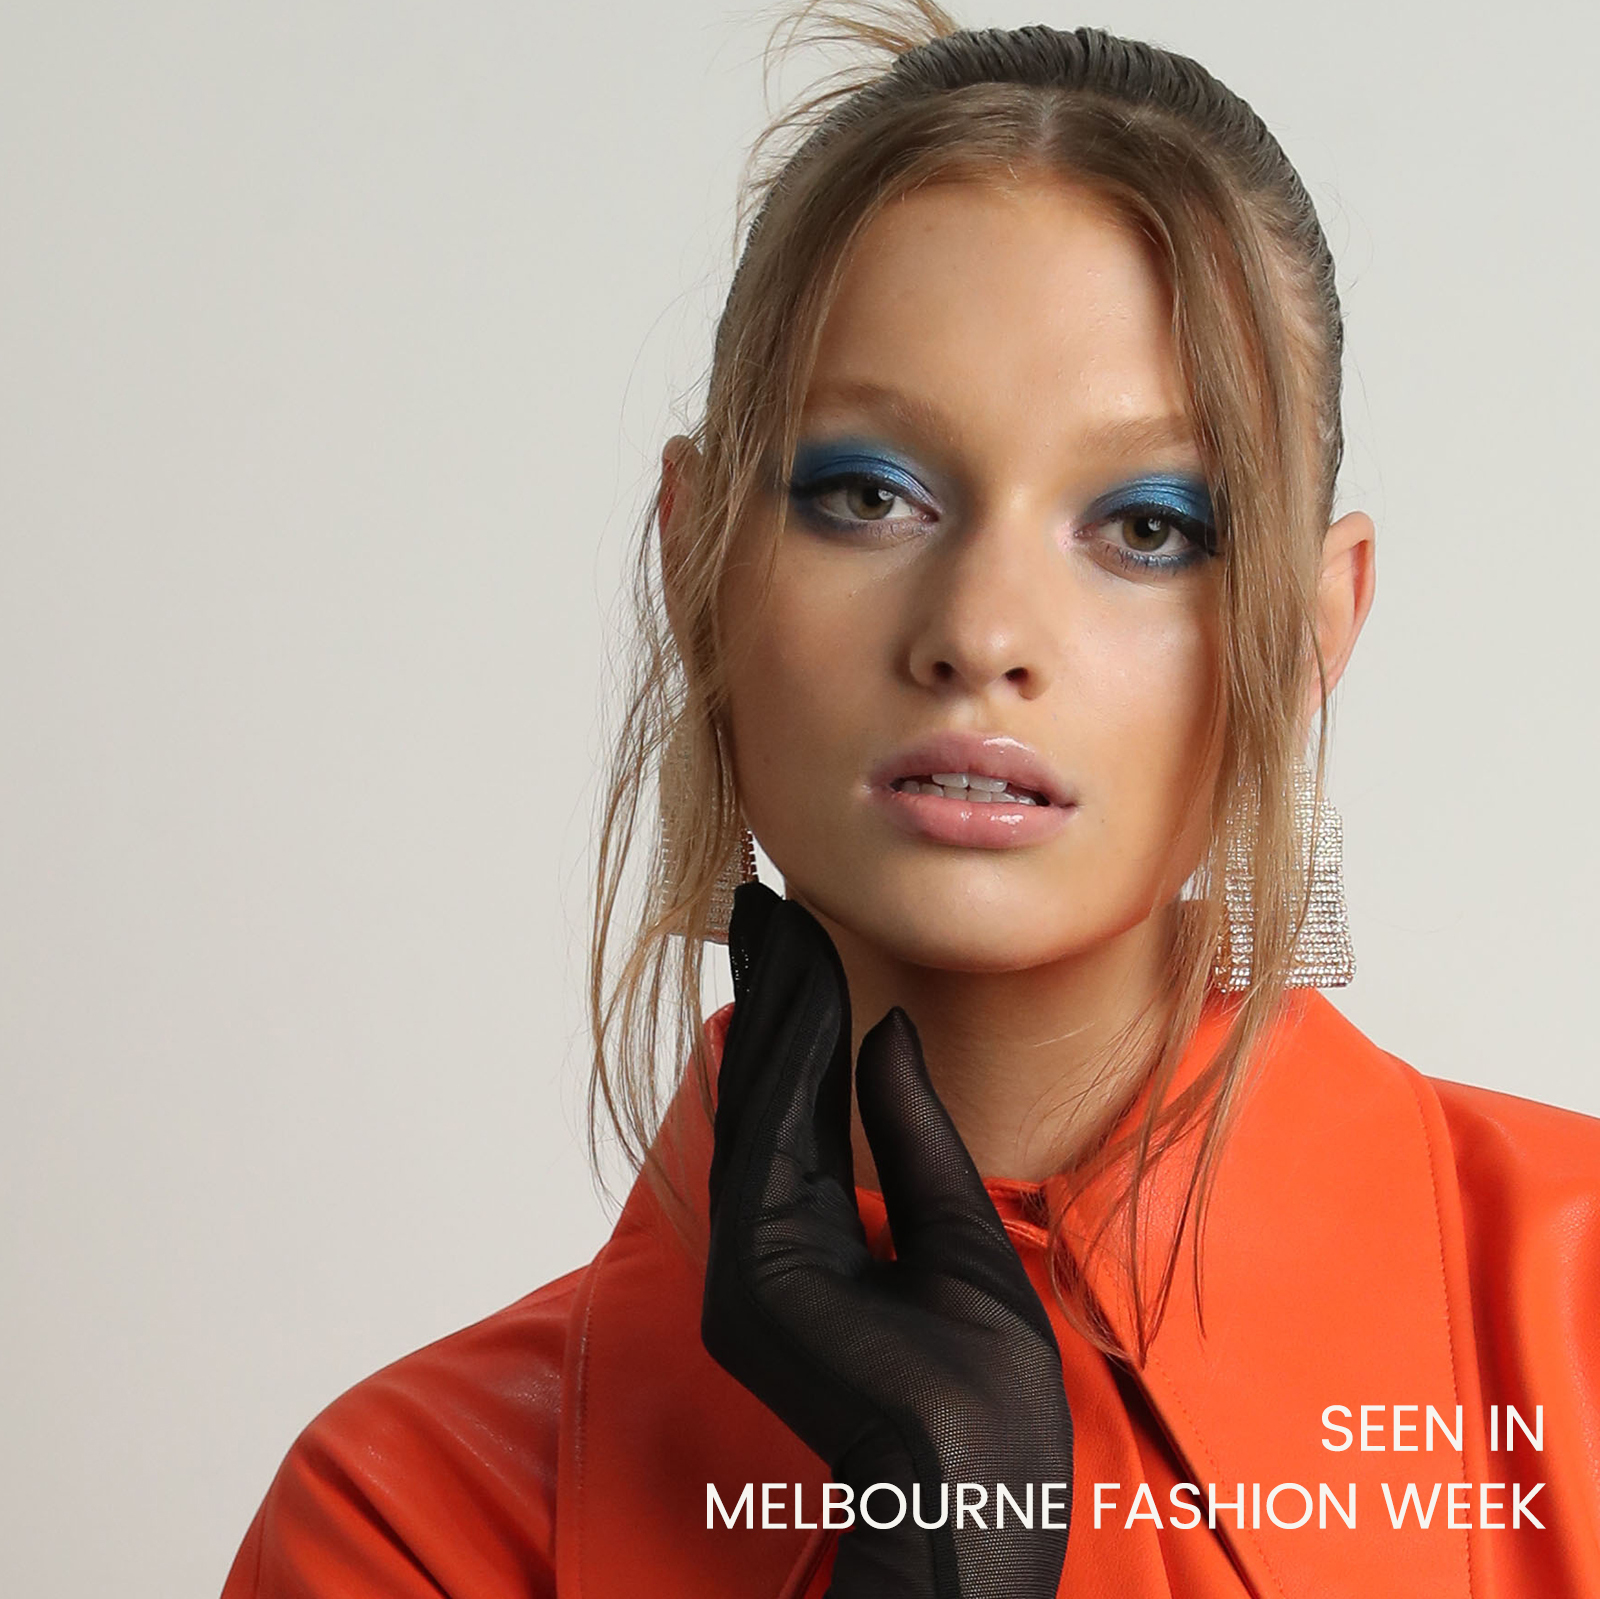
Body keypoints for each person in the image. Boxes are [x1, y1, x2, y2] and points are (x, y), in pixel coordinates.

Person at [219, 5, 1600, 1596]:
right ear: (695, 559)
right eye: (869, 493)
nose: (981, 634)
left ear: (1312, 631)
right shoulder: (412, 1522)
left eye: (1150, 526)